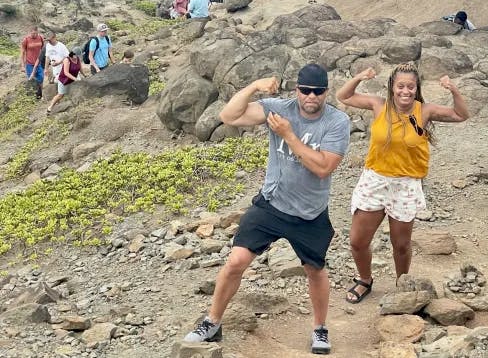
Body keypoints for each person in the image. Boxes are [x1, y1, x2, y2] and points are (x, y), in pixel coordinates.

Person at [183, 64, 350, 355]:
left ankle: (320, 328)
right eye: (305, 90)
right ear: (297, 89)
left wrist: (288, 135)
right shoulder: (279, 108)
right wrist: (253, 86)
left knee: (315, 269)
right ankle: (212, 321)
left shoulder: (337, 122)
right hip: (272, 203)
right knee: (235, 261)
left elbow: (323, 168)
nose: (311, 97)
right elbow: (228, 116)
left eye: (318, 91)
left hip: (309, 212)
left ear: (326, 92)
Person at [336, 64, 469, 304]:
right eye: (400, 86)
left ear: (416, 88)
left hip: (406, 185)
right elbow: (343, 96)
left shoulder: (424, 110)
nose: (405, 91)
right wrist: (360, 76)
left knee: (401, 245)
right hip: (375, 180)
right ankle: (365, 280)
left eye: (410, 86)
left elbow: (461, 115)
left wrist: (453, 89)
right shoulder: (379, 105)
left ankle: (402, 284)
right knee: (357, 241)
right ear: (392, 87)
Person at [47, 48, 82, 114]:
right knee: (60, 95)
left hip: (74, 77)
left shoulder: (77, 59)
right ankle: (50, 107)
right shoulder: (67, 60)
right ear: (72, 54)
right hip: (64, 79)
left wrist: (84, 75)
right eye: (76, 55)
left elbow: (80, 68)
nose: (77, 57)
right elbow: (66, 72)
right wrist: (75, 79)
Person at [20, 27, 45, 97]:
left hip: (39, 63)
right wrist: (22, 65)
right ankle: (32, 96)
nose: (34, 35)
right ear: (30, 32)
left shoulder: (40, 38)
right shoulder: (26, 40)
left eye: (36, 33)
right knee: (32, 79)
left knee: (41, 78)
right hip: (29, 63)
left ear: (37, 32)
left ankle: (41, 94)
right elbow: (22, 53)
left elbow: (43, 49)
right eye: (33, 33)